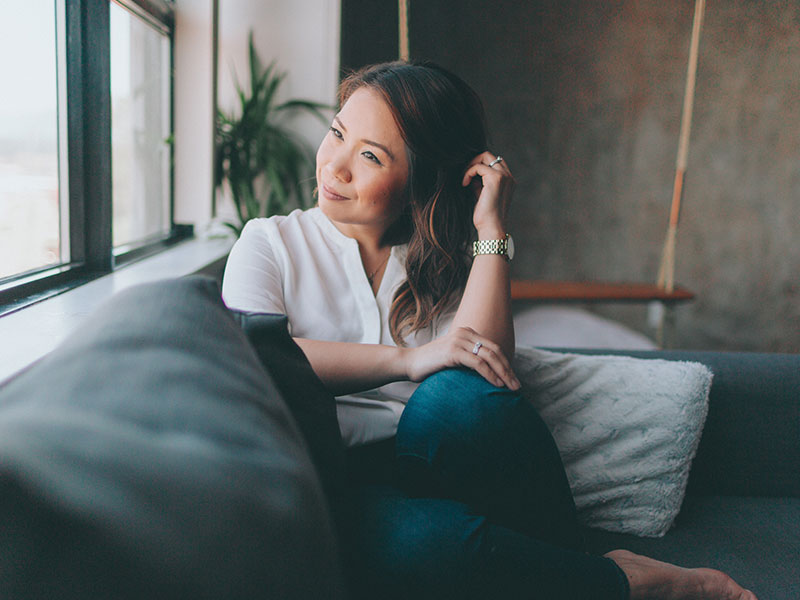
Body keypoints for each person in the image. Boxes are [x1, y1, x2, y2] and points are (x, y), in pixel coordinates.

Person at [222, 61, 757, 600]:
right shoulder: (268, 243)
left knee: (458, 398)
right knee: (420, 546)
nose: (335, 166)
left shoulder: (440, 260)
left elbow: (488, 378)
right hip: (334, 478)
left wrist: (491, 227)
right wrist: (407, 360)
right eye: (337, 133)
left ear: (420, 176)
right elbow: (257, 360)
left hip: (437, 458)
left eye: (369, 156)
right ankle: (624, 581)